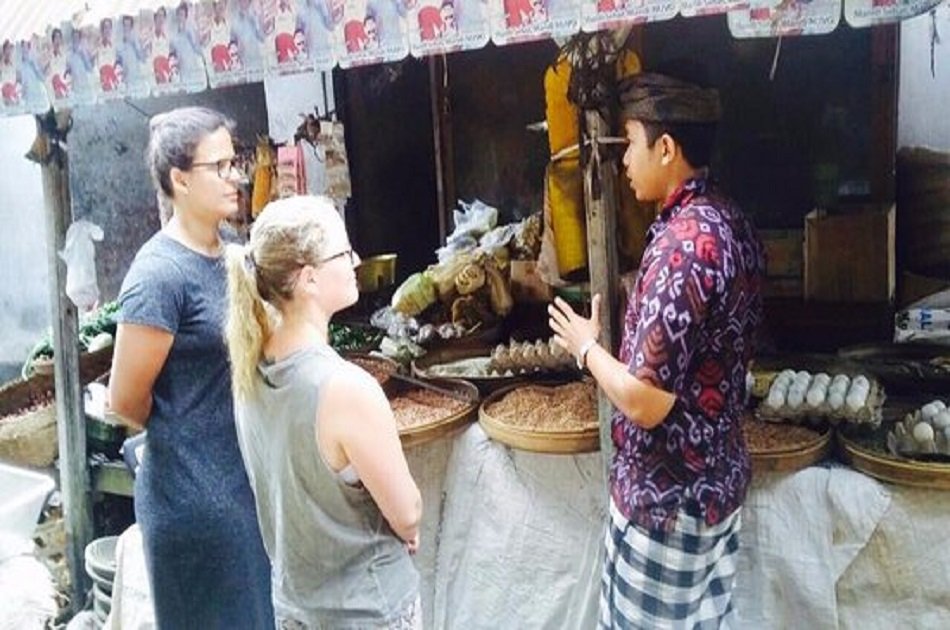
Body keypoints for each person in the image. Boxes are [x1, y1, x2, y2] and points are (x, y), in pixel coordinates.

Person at [547, 71, 764, 628]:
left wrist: (586, 347)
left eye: (630, 142)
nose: (623, 160)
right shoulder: (729, 219)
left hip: (668, 501)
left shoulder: (683, 247)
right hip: (714, 486)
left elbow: (645, 402)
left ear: (666, 148)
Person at [108, 107, 274, 629]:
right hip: (193, 502)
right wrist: (189, 431)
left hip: (242, 486)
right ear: (180, 179)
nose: (235, 176)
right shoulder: (159, 276)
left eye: (234, 162)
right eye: (218, 167)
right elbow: (125, 401)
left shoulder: (233, 255)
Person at [223, 196, 423, 628]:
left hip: (297, 611)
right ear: (308, 278)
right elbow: (407, 514)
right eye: (343, 253)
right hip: (368, 612)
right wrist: (408, 526)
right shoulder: (345, 388)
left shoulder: (249, 371)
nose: (355, 261)